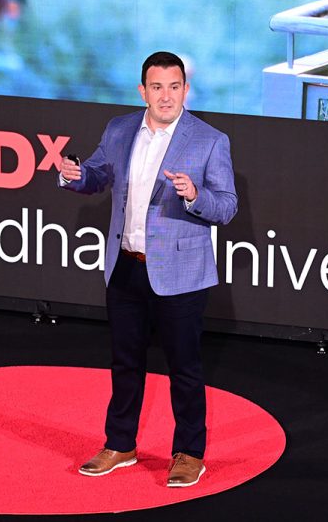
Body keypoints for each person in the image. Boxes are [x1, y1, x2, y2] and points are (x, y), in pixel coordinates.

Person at [58, 51, 238, 488]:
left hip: (180, 274)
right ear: (143, 91)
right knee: (124, 363)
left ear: (185, 90)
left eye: (174, 87)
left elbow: (228, 207)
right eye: (157, 87)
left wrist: (195, 195)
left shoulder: (210, 140)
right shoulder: (119, 129)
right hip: (125, 267)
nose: (166, 96)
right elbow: (98, 174)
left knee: (185, 368)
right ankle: (120, 444)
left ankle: (189, 453)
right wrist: (73, 175)